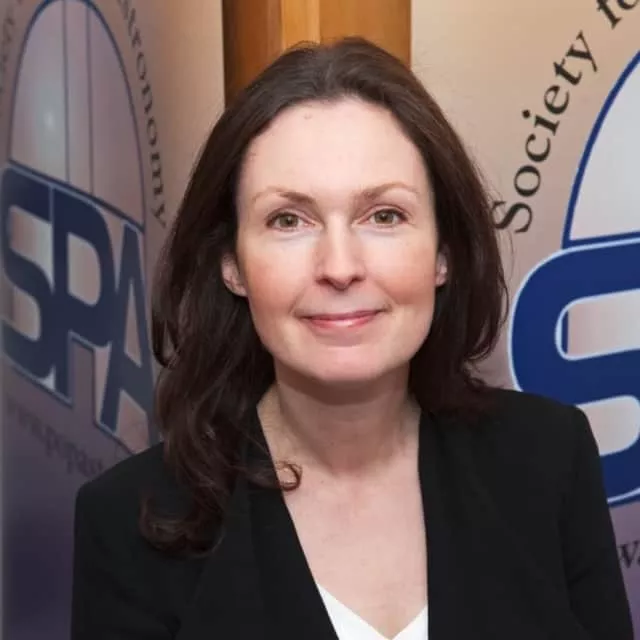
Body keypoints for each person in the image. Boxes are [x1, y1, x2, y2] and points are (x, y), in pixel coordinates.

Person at [70, 37, 633, 640]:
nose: (339, 267)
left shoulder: (551, 459)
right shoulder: (128, 525)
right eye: (289, 220)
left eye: (384, 216)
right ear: (231, 264)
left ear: (443, 252)